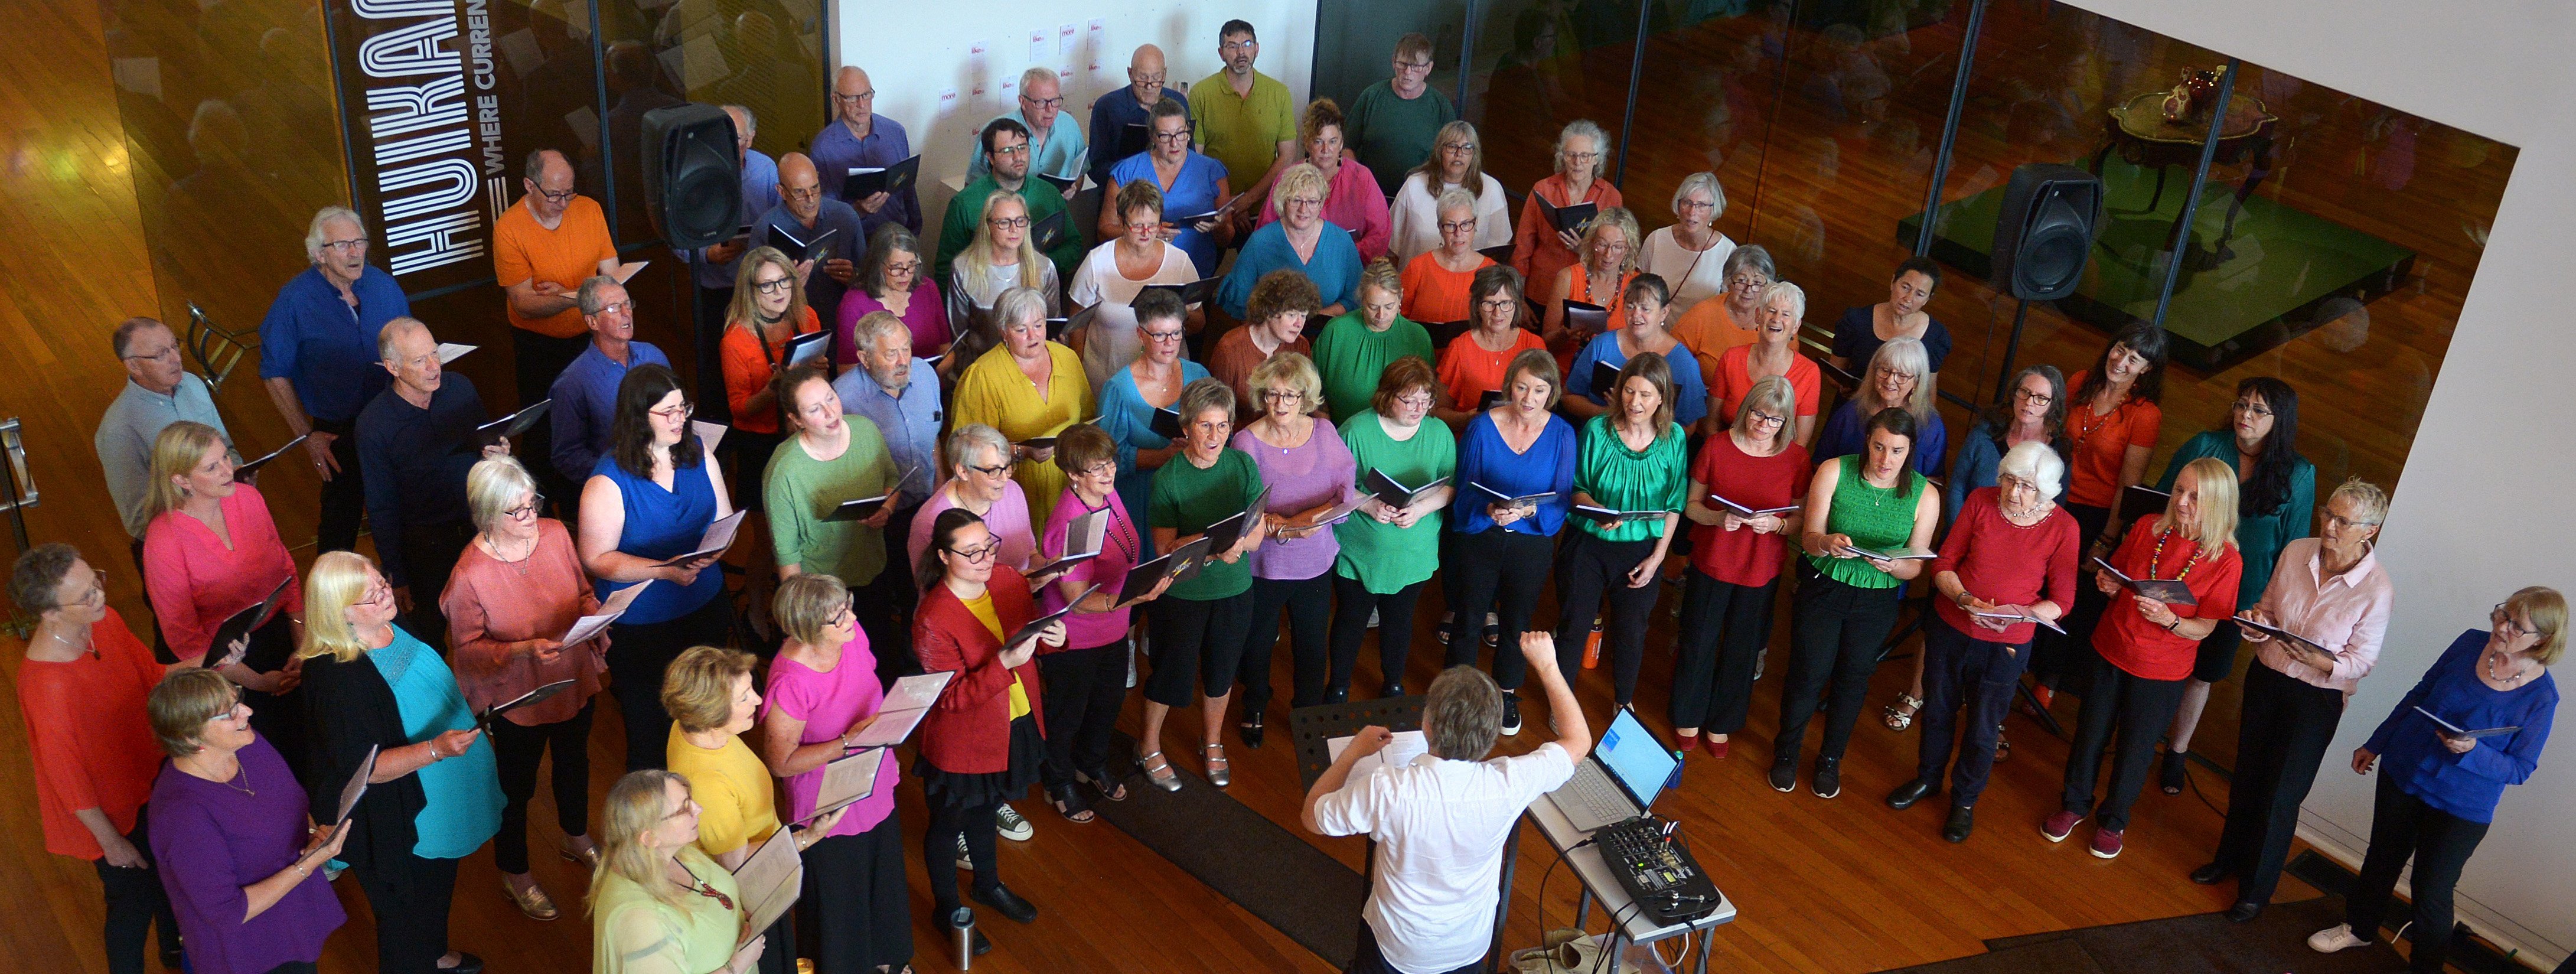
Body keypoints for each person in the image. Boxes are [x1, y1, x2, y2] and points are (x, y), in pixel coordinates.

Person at [2307, 588, 2560, 973]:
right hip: (2405, 768)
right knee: (2381, 859)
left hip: (2462, 804)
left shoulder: (2542, 697)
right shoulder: (2470, 642)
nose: (2500, 625)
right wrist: (2378, 742)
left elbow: (2521, 768)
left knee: (2432, 891)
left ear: (2541, 639)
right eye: (2502, 613)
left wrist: (2473, 751)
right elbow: (2421, 693)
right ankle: (2358, 928)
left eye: (2515, 624)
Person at [1303, 638, 1587, 974]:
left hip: (1397, 946)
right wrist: (1548, 666)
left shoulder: (1387, 789)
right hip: (1468, 945)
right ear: (1492, 734)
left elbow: (1313, 817)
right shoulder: (1510, 784)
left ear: (1427, 724)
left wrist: (1354, 751)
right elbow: (1578, 740)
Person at [296, 550, 501, 974]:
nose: (385, 594)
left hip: (439, 792)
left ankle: (435, 953)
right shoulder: (339, 677)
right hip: (399, 815)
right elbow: (364, 767)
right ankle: (418, 959)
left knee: (437, 885)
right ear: (341, 614)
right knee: (405, 914)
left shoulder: (388, 623)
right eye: (370, 595)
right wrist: (436, 750)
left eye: (382, 583)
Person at [2194, 479, 2392, 920]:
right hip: (2268, 675)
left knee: (2281, 793)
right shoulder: (2298, 551)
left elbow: (2362, 661)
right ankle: (2228, 859)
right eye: (2328, 512)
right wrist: (2255, 621)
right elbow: (2267, 608)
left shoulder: (2377, 589)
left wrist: (2323, 662)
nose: (2329, 524)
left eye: (2343, 520)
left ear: (2370, 531)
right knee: (2246, 774)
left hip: (2316, 699)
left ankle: (2255, 890)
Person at [2045, 458, 2244, 859]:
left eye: (2195, 496)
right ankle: (2074, 804)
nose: (2183, 501)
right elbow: (2117, 576)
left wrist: (2171, 621)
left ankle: (2114, 821)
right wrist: (2108, 582)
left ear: (2219, 505)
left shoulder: (2226, 560)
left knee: (2136, 748)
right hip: (2111, 647)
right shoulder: (2148, 527)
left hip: (2163, 670)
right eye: (2179, 490)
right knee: (2090, 734)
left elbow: (2205, 627)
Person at [1886, 443, 2078, 841]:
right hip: (1952, 624)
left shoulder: (2064, 527)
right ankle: (1928, 778)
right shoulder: (1980, 500)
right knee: (1938, 707)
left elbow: (2063, 600)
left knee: (1983, 726)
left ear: (2044, 490)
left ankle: (1965, 800)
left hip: (2007, 643)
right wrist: (1964, 599)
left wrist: (2017, 614)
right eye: (2009, 479)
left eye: (2025, 486)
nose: (2012, 492)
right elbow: (1943, 563)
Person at [443, 456, 607, 921]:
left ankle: (575, 835)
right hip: (519, 695)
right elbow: (468, 650)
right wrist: (522, 651)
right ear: (488, 516)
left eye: (531, 501)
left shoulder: (555, 532)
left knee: (575, 762)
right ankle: (515, 871)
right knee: (516, 787)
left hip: (571, 674)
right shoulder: (469, 575)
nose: (531, 514)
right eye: (517, 510)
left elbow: (581, 591)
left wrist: (597, 619)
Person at [12, 545, 186, 974]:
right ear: (50, 614)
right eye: (86, 594)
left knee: (166, 876)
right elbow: (68, 780)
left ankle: (175, 952)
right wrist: (111, 843)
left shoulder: (103, 622)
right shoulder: (47, 686)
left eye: (97, 581)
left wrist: (216, 662)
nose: (100, 596)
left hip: (148, 776)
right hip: (110, 813)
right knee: (132, 903)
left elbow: (153, 676)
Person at [2154, 377, 2317, 794]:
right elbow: (2161, 500)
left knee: (2203, 674)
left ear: (2279, 420)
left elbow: (2294, 550)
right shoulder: (2206, 444)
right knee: (2157, 659)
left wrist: (2268, 608)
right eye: (2242, 404)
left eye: (2259, 410)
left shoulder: (2298, 474)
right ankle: (2139, 734)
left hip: (2239, 595)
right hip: (2180, 578)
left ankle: (2177, 750)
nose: (2245, 415)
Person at [912, 509, 1064, 936]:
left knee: (986, 810)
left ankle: (988, 884)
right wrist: (1002, 664)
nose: (985, 558)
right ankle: (946, 909)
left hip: (1013, 722)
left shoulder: (1006, 579)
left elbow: (1026, 640)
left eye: (989, 546)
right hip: (963, 741)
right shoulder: (933, 618)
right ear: (943, 555)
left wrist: (1054, 639)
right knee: (948, 824)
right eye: (971, 551)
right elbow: (950, 699)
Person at [1775, 408, 1941, 798]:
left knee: (1853, 678)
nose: (1886, 460)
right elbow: (1811, 535)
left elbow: (1916, 566)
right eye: (1880, 447)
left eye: (1897, 451)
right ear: (1867, 440)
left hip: (1877, 596)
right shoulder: (1835, 470)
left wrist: (1893, 564)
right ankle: (1786, 751)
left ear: (1910, 450)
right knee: (1808, 671)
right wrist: (1828, 543)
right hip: (1825, 584)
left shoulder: (1925, 493)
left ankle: (1831, 759)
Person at [577, 364, 735, 771]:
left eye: (683, 408)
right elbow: (596, 557)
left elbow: (723, 522)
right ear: (637, 416)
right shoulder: (609, 481)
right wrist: (664, 570)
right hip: (644, 627)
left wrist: (714, 551)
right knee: (652, 733)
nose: (680, 419)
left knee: (711, 719)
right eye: (668, 412)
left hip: (704, 605)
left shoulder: (698, 451)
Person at [755, 576, 913, 973]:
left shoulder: (851, 633)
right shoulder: (791, 680)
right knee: (841, 897)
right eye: (838, 615)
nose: (852, 617)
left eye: (847, 605)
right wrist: (845, 741)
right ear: (807, 628)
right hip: (829, 801)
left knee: (882, 876)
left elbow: (869, 684)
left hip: (875, 776)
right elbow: (781, 761)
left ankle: (885, 959)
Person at [144, 669, 347, 974]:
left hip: (290, 912)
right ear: (190, 736)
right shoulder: (181, 815)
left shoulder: (247, 745)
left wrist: (312, 835)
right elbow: (226, 912)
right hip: (248, 948)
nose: (248, 711)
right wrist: (310, 864)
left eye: (237, 699)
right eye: (229, 713)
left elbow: (293, 801)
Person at [142, 422, 307, 767]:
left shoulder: (248, 499)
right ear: (181, 481)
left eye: (226, 458)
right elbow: (186, 641)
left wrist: (302, 648)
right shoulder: (164, 541)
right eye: (212, 467)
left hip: (283, 637)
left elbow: (286, 574)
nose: (228, 470)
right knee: (269, 757)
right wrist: (258, 682)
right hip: (224, 670)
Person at [664, 646, 831, 974]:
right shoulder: (706, 783)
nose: (758, 700)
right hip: (748, 901)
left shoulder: (691, 728)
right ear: (711, 714)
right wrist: (807, 838)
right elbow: (738, 864)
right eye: (744, 697)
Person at [2030, 323, 2168, 707]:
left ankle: (2049, 680)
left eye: (2134, 359)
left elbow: (2128, 485)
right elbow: (2051, 438)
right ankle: (2018, 663)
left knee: (2070, 597)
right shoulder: (2079, 382)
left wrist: (2107, 539)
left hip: (2095, 515)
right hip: (2053, 499)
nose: (2121, 361)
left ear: (2146, 370)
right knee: (2034, 580)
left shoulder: (2145, 414)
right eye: (2120, 349)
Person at [1671, 376, 1810, 759]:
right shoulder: (1717, 446)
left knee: (1743, 647)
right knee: (1699, 639)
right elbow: (1691, 505)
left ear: (1786, 424)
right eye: (1758, 413)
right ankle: (1688, 715)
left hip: (1760, 565)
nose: (1764, 425)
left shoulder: (1797, 459)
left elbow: (1800, 517)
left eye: (1774, 420)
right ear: (1746, 407)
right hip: (1714, 558)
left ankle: (1722, 722)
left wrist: (1778, 524)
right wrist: (1717, 519)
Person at [1034, 426, 1168, 820]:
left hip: (1113, 625)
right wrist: (1134, 597)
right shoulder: (1071, 522)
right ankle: (1058, 781)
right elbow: (1077, 599)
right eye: (1096, 468)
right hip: (1074, 637)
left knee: (1107, 703)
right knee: (1067, 714)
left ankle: (1090, 762)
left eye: (1109, 462)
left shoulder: (1107, 494)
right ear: (1073, 474)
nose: (1109, 472)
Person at [1140, 379, 1269, 790]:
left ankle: (1211, 741)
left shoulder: (1243, 466)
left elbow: (1258, 533)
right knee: (1171, 673)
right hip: (1183, 595)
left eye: (1222, 425)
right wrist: (1215, 547)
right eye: (1204, 426)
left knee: (1222, 672)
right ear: (1186, 425)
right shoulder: (1168, 478)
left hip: (1234, 589)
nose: (1215, 436)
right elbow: (1165, 548)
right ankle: (1147, 744)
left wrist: (1232, 546)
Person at [259, 205, 408, 553]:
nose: (355, 252)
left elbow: (407, 337)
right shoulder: (294, 300)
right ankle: (332, 598)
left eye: (359, 242)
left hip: (393, 414)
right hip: (338, 428)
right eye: (342, 245)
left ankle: (403, 588)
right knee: (342, 516)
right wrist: (305, 435)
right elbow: (273, 372)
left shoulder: (384, 286)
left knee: (404, 505)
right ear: (318, 255)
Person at [1444, 350, 1577, 734]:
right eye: (1521, 387)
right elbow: (1464, 489)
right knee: (1469, 616)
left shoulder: (1563, 434)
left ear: (1551, 392)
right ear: (1509, 387)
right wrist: (1488, 507)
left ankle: (1505, 691)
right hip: (1481, 535)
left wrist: (1530, 511)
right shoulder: (1483, 427)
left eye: (1539, 389)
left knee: (1517, 622)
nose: (1528, 398)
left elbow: (1563, 498)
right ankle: (1458, 696)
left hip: (1530, 544)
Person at [1232, 353, 1358, 738]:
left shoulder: (1324, 432)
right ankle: (1255, 701)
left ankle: (1307, 712)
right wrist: (1284, 528)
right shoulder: (1246, 441)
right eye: (1272, 395)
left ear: (1305, 397)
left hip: (1314, 561)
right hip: (1264, 563)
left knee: (1311, 642)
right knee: (1256, 642)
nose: (1281, 405)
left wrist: (1304, 521)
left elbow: (1346, 494)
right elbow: (1242, 512)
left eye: (1290, 396)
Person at [1553, 353, 1688, 708]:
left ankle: (1623, 702)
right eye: (1629, 391)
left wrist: (1658, 559)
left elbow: (1674, 503)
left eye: (1645, 395)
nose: (1635, 402)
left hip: (1641, 549)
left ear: (1662, 398)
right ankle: (1563, 703)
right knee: (1574, 626)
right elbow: (1577, 487)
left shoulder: (1674, 438)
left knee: (1631, 632)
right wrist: (1596, 510)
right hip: (1588, 543)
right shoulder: (1597, 430)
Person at [356, 317, 501, 646]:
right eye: (420, 361)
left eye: (435, 354)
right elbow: (382, 505)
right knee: (429, 633)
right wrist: (396, 574)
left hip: (480, 525)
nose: (434, 367)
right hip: (425, 545)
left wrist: (499, 452)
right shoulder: (374, 425)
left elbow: (485, 443)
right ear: (392, 367)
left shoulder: (460, 389)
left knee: (496, 619)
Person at [1330, 359, 1457, 699]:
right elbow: (1335, 484)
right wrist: (1369, 504)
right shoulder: (1356, 430)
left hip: (1412, 551)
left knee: (1400, 622)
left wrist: (1418, 509)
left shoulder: (1439, 433)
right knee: (1351, 620)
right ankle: (1339, 684)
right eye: (1409, 400)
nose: (1419, 409)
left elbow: (1450, 487)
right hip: (1360, 550)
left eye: (1426, 400)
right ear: (1387, 396)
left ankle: (1393, 683)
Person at [765, 365, 903, 663]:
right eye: (815, 409)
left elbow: (892, 478)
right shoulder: (785, 471)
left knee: (882, 658)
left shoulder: (865, 430)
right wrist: (801, 622)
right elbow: (787, 554)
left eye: (831, 398)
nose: (830, 413)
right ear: (796, 420)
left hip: (872, 569)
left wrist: (887, 509)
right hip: (824, 597)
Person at [834, 311, 948, 644]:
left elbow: (934, 438)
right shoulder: (843, 399)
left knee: (926, 594)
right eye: (891, 354)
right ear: (864, 358)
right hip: (878, 521)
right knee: (880, 603)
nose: (903, 362)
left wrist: (941, 490)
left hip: (927, 507)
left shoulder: (926, 375)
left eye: (906, 349)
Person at [588, 770, 768, 974]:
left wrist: (733, 916)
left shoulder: (676, 851)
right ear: (650, 838)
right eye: (683, 809)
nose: (698, 809)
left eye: (690, 800)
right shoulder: (640, 922)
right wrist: (738, 964)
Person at [494, 151, 620, 436]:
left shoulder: (590, 210)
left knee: (596, 420)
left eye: (569, 193)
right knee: (545, 428)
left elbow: (612, 278)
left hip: (592, 335)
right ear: (529, 185)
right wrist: (578, 298)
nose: (563, 204)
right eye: (553, 195)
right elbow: (524, 303)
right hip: (539, 348)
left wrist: (566, 294)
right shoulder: (509, 229)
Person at [955, 288, 1095, 527]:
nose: (1033, 336)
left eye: (1039, 325)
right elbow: (966, 448)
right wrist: (1022, 452)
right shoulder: (982, 376)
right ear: (1003, 332)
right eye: (1021, 330)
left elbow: (1087, 416)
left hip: (1072, 485)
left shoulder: (1068, 358)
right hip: (1014, 492)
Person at [96, 317, 229, 546]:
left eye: (175, 347)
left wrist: (238, 471)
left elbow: (226, 445)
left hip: (227, 514)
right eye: (160, 355)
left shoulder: (193, 384)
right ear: (134, 365)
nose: (176, 359)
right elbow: (138, 519)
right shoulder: (118, 430)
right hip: (182, 541)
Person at [1095, 291, 1211, 540]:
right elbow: (1106, 456)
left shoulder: (1199, 374)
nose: (1170, 343)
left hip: (1192, 490)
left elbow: (1222, 429)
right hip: (1143, 497)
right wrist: (1162, 456)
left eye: (1176, 333)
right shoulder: (1118, 388)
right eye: (1159, 335)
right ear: (1140, 335)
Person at [1070, 180, 1203, 390]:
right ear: (1121, 222)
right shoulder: (1098, 261)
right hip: (1106, 377)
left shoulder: (1180, 261)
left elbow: (1199, 323)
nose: (1146, 233)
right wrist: (1076, 372)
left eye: (1153, 225)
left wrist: (1175, 312)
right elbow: (1077, 323)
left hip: (1165, 380)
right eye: (1138, 226)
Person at [718, 247, 824, 505]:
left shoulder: (807, 316)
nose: (779, 291)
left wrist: (820, 372)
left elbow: (822, 380)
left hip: (805, 430)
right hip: (761, 442)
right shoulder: (735, 340)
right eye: (767, 285)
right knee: (766, 519)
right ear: (750, 290)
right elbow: (739, 410)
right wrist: (773, 389)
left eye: (784, 281)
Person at [680, 106, 781, 374]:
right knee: (718, 365)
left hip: (760, 287)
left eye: (735, 138)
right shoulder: (692, 173)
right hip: (716, 291)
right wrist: (707, 254)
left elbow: (782, 221)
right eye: (719, 136)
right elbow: (676, 235)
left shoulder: (766, 168)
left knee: (763, 363)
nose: (726, 144)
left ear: (750, 138)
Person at [549, 276, 674, 487]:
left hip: (670, 471)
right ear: (592, 322)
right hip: (620, 488)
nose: (627, 314)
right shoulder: (572, 383)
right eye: (614, 308)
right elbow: (567, 456)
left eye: (628, 304)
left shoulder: (653, 356)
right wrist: (620, 475)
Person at [938, 118, 1085, 288]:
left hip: (1040, 291)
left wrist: (1042, 263)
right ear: (990, 158)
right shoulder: (964, 204)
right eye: (1008, 151)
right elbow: (946, 270)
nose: (1018, 157)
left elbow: (1073, 244)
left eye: (1023, 148)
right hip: (985, 296)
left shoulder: (1049, 193)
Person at [1102, 96, 1233, 279]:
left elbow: (1227, 238)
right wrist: (1149, 234)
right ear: (1153, 136)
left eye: (1181, 134)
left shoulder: (1211, 170)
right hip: (1138, 273)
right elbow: (1105, 231)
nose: (1175, 143)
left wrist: (1218, 226)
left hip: (1195, 274)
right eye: (1165, 136)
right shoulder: (1127, 171)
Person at [1191, 19, 1299, 230]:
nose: (1241, 52)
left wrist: (1247, 201)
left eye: (1247, 44)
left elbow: (1287, 156)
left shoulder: (1279, 93)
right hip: (1216, 209)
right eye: (1232, 46)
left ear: (1257, 49)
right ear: (1221, 53)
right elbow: (1196, 160)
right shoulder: (1200, 94)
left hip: (1266, 210)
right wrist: (1227, 204)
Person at [1221, 164, 1365, 321]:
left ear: (1321, 203)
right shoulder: (1260, 242)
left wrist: (1315, 319)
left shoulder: (1341, 241)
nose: (1304, 210)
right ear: (1283, 201)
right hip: (1274, 338)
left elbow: (1355, 297)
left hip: (1329, 331)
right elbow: (1239, 303)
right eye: (1296, 200)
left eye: (1312, 201)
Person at [1563, 275, 1709, 429]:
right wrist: (1610, 413)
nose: (1636, 315)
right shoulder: (1602, 345)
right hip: (1601, 437)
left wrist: (1636, 416)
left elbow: (1688, 428)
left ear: (1664, 312)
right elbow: (1568, 398)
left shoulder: (1683, 364)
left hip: (1652, 450)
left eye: (1645, 308)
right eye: (1630, 306)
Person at [1256, 100, 1390, 262]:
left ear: (1341, 143)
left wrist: (1342, 255)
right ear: (1307, 143)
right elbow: (1266, 231)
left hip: (1349, 266)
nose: (1326, 150)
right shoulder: (1288, 179)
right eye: (1318, 141)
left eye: (1332, 141)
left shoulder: (1362, 178)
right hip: (1294, 269)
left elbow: (1380, 234)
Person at [944, 193, 1062, 373]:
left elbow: (1053, 326)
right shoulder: (963, 268)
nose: (1014, 229)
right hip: (982, 371)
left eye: (1020, 221)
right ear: (988, 226)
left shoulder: (1044, 268)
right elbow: (959, 337)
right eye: (1004, 222)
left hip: (1031, 370)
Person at [750, 152, 866, 335]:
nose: (811, 199)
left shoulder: (845, 216)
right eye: (799, 192)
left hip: (846, 325)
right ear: (781, 192)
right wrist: (788, 286)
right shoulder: (765, 230)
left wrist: (855, 277)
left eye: (815, 188)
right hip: (793, 330)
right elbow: (753, 299)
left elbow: (870, 278)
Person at [1512, 120, 1624, 303]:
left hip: (1583, 293)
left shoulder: (1611, 197)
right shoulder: (1543, 189)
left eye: (1585, 156)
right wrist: (1519, 300)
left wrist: (1585, 250)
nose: (1577, 162)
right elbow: (1523, 247)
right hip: (1539, 291)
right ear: (1562, 157)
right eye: (1571, 155)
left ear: (1597, 159)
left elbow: (1616, 255)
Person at [1943, 365, 2070, 526]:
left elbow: (2053, 513)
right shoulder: (1984, 434)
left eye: (2041, 398)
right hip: (1967, 528)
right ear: (2014, 394)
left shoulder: (2059, 452)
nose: (2029, 402)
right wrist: (1961, 533)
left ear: (2052, 405)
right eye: (2024, 392)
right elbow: (1957, 489)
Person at [1312, 260, 1435, 424]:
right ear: (1362, 300)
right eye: (1373, 306)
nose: (1381, 315)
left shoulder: (1418, 337)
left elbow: (1428, 394)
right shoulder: (1337, 331)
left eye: (1389, 306)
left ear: (1401, 298)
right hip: (1340, 431)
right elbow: (1311, 384)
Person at [907, 424, 1039, 574]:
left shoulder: (1013, 492)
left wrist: (1048, 567)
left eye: (1007, 467)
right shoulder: (929, 522)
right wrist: (1014, 585)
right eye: (993, 470)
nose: (1004, 478)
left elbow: (1031, 554)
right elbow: (931, 591)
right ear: (963, 471)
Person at [1344, 33, 1459, 199]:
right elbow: (1347, 145)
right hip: (1370, 197)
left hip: (1420, 200)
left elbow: (1452, 158)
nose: (1408, 72)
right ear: (1393, 62)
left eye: (1416, 66)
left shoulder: (1441, 107)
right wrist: (1359, 181)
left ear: (1428, 68)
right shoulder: (1372, 96)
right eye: (1403, 64)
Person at [1431, 266, 1546, 429]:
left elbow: (1547, 405)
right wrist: (1467, 419)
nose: (1498, 313)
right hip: (1474, 436)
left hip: (1523, 436)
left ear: (1517, 305)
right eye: (1489, 303)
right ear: (1477, 306)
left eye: (1505, 303)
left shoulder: (1534, 345)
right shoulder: (1460, 347)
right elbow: (1439, 411)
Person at [812, 66, 921, 239]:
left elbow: (908, 192)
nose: (861, 105)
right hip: (856, 244)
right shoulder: (823, 149)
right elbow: (826, 215)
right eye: (852, 98)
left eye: (866, 95)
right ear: (836, 99)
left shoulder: (895, 132)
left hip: (899, 239)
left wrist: (914, 234)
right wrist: (859, 210)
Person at [1710, 280, 1821, 447]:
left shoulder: (1809, 373)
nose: (1776, 319)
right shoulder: (1731, 358)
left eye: (1786, 314)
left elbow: (1800, 444)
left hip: (1776, 465)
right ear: (1758, 316)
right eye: (1771, 311)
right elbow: (1711, 424)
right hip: (1727, 451)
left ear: (1796, 326)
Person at [1815, 337, 1947, 476]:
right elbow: (1820, 463)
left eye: (1902, 376)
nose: (1890, 381)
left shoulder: (1931, 427)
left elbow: (1933, 481)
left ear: (1916, 382)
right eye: (1885, 370)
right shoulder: (1850, 413)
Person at [1387, 120, 1511, 263]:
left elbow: (1498, 252)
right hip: (1418, 278)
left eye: (1467, 148)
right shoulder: (1414, 186)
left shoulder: (1492, 189)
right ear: (1440, 151)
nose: (1459, 154)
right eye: (1452, 147)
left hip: (1471, 282)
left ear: (1474, 154)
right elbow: (1392, 247)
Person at [1209, 269, 1322, 419]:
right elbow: (1216, 409)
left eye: (1303, 316)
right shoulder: (1230, 349)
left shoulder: (1301, 346)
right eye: (1292, 315)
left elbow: (1305, 402)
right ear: (1269, 312)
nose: (1299, 324)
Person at [1540, 207, 1641, 369]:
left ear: (1628, 249)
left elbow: (1641, 346)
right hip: (1564, 374)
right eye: (1602, 244)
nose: (1608, 255)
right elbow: (1545, 343)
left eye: (1618, 247)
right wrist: (1565, 334)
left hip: (1610, 380)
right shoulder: (1568, 277)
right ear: (1592, 242)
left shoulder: (1636, 285)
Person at [1669, 245, 1775, 398]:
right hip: (1703, 405)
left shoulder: (1777, 322)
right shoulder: (1702, 314)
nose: (1748, 289)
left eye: (1757, 283)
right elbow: (1672, 362)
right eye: (1741, 281)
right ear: (1728, 282)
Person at [838, 226, 951, 364]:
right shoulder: (854, 304)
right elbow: (847, 369)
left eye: (911, 265)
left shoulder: (928, 288)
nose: (905, 274)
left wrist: (928, 375)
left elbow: (947, 349)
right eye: (896, 267)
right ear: (878, 265)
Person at [1830, 256, 1953, 381]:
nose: (1909, 299)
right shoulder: (1856, 320)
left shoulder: (1937, 337)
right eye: (1905, 287)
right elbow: (1834, 375)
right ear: (1893, 282)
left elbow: (1928, 391)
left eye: (1920, 294)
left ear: (1927, 299)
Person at [966, 67, 1088, 185]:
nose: (1050, 109)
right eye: (1041, 102)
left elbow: (1080, 175)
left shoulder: (1069, 125)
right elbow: (971, 190)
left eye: (1055, 100)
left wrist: (1073, 190)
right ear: (1023, 102)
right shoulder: (995, 132)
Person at [1397, 188, 1498, 328]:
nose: (1459, 233)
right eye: (1451, 225)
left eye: (1466, 224)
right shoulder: (1418, 267)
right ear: (1440, 227)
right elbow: (1398, 318)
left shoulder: (1492, 272)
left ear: (1475, 225)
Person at [1639, 172, 1736, 313]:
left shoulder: (1728, 252)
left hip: (1698, 334)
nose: (1692, 212)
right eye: (1687, 203)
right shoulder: (1657, 239)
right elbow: (1637, 290)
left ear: (1713, 210)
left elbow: (1728, 308)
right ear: (1678, 206)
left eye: (1701, 205)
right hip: (1653, 333)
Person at [1087, 44, 1172, 188]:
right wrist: (1131, 174)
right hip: (1122, 193)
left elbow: (1189, 157)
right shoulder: (1107, 107)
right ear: (1130, 74)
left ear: (1164, 74)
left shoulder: (1177, 103)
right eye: (1142, 79)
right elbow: (1096, 167)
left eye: (1156, 78)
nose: (1149, 86)